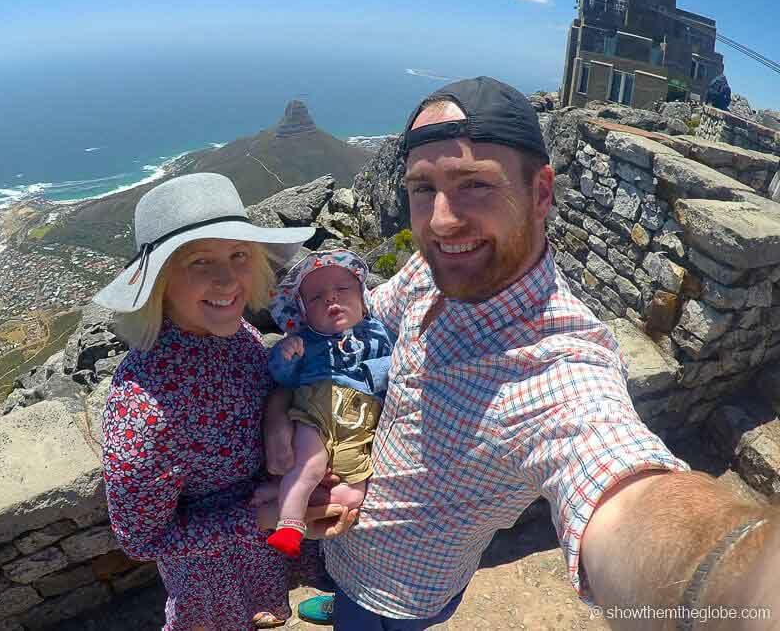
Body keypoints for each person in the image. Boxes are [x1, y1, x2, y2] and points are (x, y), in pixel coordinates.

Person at [290, 77, 779, 629]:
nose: (442, 221)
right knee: (342, 598)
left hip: (403, 593)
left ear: (541, 192)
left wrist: (739, 588)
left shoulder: (559, 368)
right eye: (422, 189)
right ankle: (339, 599)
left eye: (474, 183)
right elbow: (370, 320)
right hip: (345, 548)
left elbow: (621, 484)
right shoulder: (433, 270)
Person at [93, 172, 357, 631]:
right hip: (213, 579)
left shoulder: (238, 335)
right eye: (200, 262)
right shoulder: (142, 410)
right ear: (159, 283)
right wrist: (265, 516)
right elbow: (142, 539)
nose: (228, 279)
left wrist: (280, 422)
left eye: (238, 255)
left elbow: (265, 393)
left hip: (266, 546)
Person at [253, 250, 394, 558]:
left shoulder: (379, 333)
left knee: (354, 487)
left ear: (362, 297)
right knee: (309, 464)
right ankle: (289, 526)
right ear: (303, 313)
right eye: (317, 297)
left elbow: (400, 364)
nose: (331, 299)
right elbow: (283, 378)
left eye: (342, 290)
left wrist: (374, 372)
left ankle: (283, 493)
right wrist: (285, 355)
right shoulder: (305, 340)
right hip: (315, 409)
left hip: (360, 419)